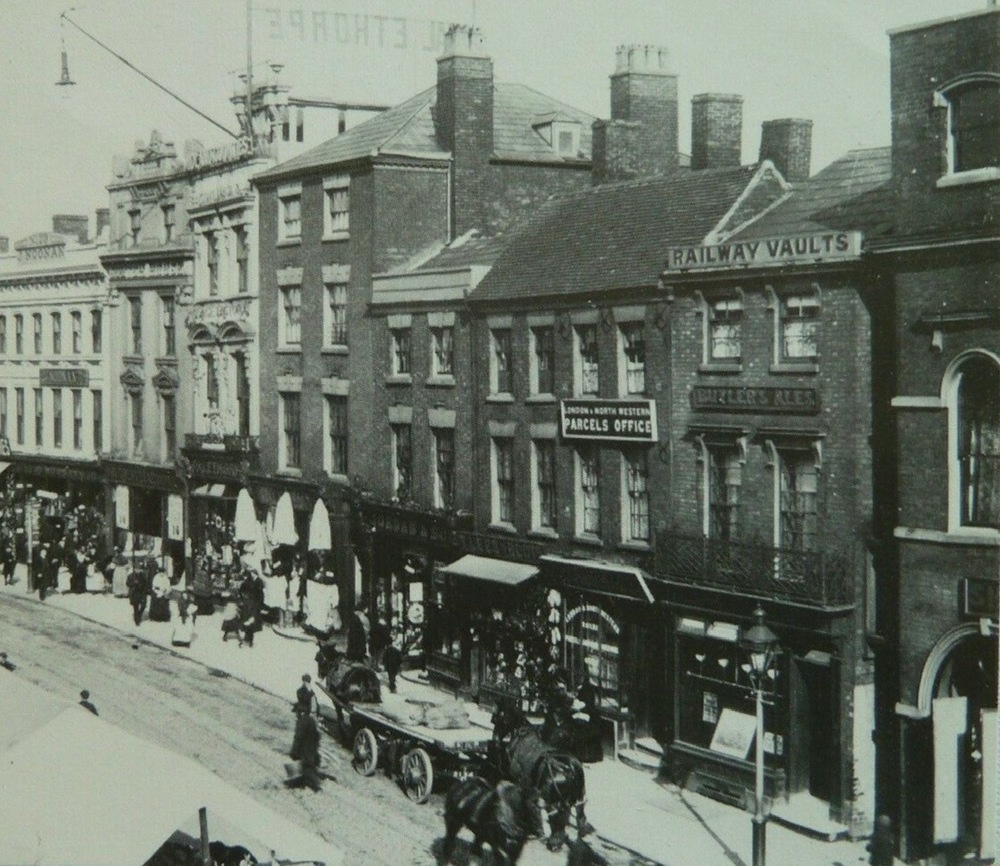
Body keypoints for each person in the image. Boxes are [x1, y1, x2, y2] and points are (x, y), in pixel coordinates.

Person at [287, 708, 322, 791]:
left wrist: (294, 751)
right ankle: (312, 784)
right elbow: (317, 736)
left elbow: (298, 737)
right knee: (309, 765)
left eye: (296, 712)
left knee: (306, 767)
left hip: (305, 750)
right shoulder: (311, 720)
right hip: (311, 749)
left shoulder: (301, 722)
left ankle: (314, 786)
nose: (295, 715)